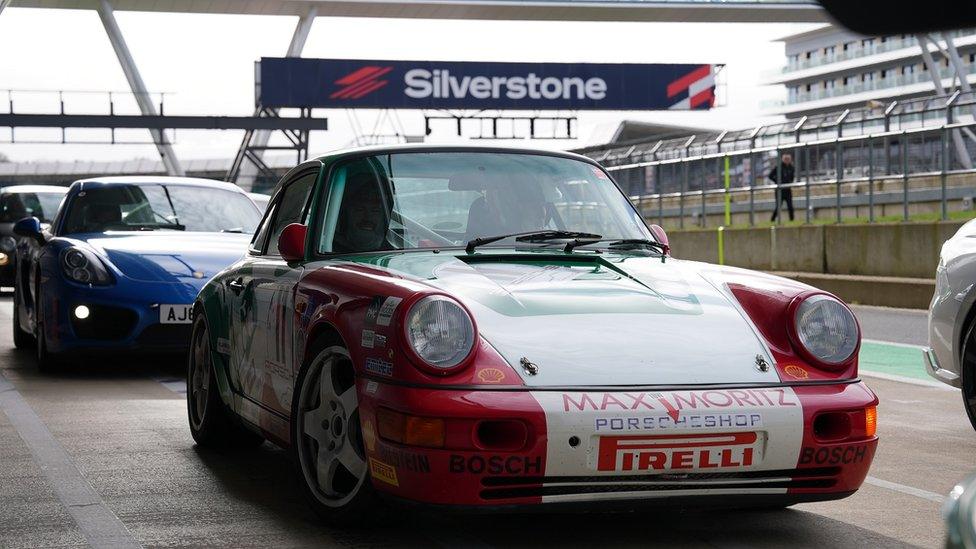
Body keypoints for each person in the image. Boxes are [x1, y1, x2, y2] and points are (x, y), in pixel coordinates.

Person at [769, 153, 796, 222]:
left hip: (787, 189)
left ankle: (792, 220)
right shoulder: (779, 167)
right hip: (780, 190)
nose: (787, 160)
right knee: (778, 207)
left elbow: (792, 177)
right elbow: (770, 176)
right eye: (785, 159)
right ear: (783, 159)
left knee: (790, 206)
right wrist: (777, 181)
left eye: (788, 159)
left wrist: (790, 182)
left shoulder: (791, 168)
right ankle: (772, 219)